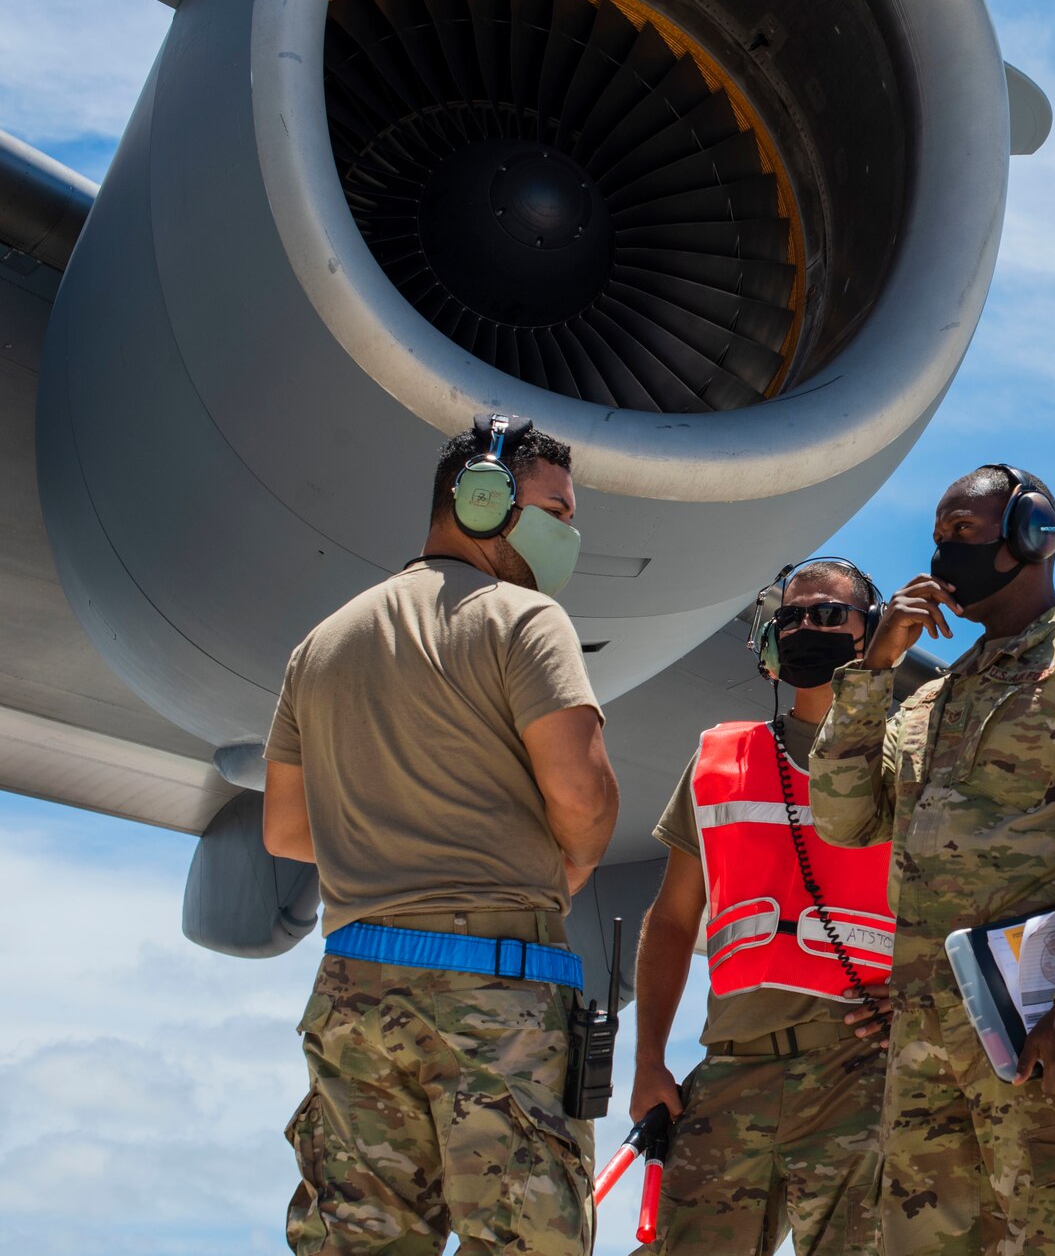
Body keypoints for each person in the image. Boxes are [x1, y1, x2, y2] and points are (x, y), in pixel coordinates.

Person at [262, 414, 618, 1255]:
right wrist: (560, 859)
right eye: (556, 512)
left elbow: (283, 827)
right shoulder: (523, 619)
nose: (569, 533)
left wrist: (390, 843)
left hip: (353, 993)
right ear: (481, 499)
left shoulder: (321, 644)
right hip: (496, 995)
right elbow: (582, 795)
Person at [810, 464, 1055, 1255]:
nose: (943, 555)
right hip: (927, 1060)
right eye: (938, 536)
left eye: (965, 533)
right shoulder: (927, 702)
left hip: (1047, 1046)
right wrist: (872, 673)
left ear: (1033, 534)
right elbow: (841, 819)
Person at [626, 557, 896, 1255]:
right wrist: (649, 1060)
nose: (808, 626)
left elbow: (961, 909)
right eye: (793, 617)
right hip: (730, 1071)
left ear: (872, 633)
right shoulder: (720, 759)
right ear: (769, 647)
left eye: (829, 614)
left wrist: (924, 995)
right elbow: (673, 918)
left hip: (858, 1074)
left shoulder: (915, 762)